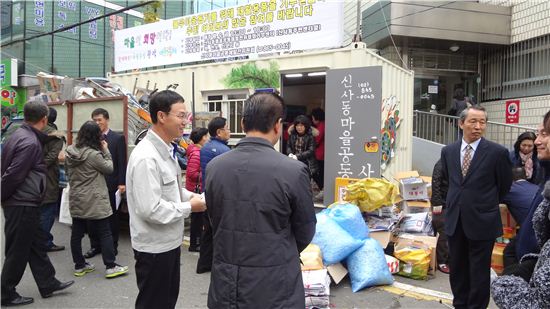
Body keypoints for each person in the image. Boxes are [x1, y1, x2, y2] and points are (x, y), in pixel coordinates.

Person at [205, 92, 317, 308]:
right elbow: (305, 230)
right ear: (278, 125)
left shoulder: (215, 167)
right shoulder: (293, 171)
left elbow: (214, 219)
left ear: (243, 122)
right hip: (275, 283)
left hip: (226, 283)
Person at [126, 90, 206, 309]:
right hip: (154, 249)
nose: (185, 122)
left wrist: (195, 198)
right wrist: (190, 207)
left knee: (167, 301)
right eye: (181, 116)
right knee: (154, 304)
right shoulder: (146, 156)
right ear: (162, 116)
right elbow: (150, 209)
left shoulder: (166, 149)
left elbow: (171, 190)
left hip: (168, 244)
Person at [1, 101, 74, 307]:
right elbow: (13, 175)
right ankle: (6, 293)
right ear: (44, 119)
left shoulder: (17, 135)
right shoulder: (30, 143)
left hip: (23, 201)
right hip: (22, 203)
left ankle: (48, 282)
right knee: (18, 250)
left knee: (35, 245)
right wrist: (3, 196)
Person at [439, 105, 513, 309]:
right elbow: (449, 180)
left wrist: (482, 202)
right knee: (458, 268)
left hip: (483, 220)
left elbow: (504, 185)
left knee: (479, 271)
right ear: (461, 123)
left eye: (482, 122)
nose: (478, 126)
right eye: (473, 121)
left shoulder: (497, 153)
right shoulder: (449, 151)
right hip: (455, 219)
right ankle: (460, 304)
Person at [491, 110, 550, 308]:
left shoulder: (539, 167)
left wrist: (505, 286)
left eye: (545, 134)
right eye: (538, 134)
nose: (537, 142)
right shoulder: (544, 174)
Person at [65, 121, 129, 279]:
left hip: (77, 197)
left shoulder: (70, 151)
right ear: (96, 137)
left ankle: (79, 266)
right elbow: (109, 168)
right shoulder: (93, 154)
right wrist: (106, 151)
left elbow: (67, 172)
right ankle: (110, 266)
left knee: (77, 233)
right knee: (105, 232)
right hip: (94, 199)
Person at [85, 108, 127, 258]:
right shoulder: (89, 139)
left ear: (107, 120)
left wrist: (122, 182)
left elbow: (122, 162)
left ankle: (112, 245)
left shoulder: (117, 138)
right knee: (92, 217)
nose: (97, 123)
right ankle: (95, 245)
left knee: (111, 217)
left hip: (111, 184)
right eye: (94, 120)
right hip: (92, 184)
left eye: (99, 120)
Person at [197, 116, 231, 274]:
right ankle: (217, 264)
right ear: (219, 132)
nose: (229, 131)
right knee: (219, 232)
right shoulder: (224, 151)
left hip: (207, 194)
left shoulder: (206, 147)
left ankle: (204, 264)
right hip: (219, 197)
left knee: (208, 232)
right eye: (228, 128)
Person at [501, 167, 540, 269]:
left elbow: (493, 200)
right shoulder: (536, 187)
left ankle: (512, 280)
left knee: (509, 252)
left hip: (529, 231)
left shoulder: (509, 189)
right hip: (542, 230)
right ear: (525, 176)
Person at [40, 107, 66, 252]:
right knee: (47, 211)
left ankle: (37, 241)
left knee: (39, 212)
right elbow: (50, 158)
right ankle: (44, 243)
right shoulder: (55, 136)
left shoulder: (32, 130)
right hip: (48, 178)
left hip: (32, 179)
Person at [185, 127, 209, 252]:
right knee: (197, 219)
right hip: (196, 189)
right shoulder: (197, 153)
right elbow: (191, 173)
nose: (207, 138)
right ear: (201, 138)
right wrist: (205, 175)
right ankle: (195, 244)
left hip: (195, 189)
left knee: (198, 218)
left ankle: (196, 243)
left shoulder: (197, 151)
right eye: (206, 136)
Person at [430, 159, 450, 274]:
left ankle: (447, 259)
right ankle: (442, 261)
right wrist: (437, 203)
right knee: (444, 230)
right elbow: (436, 181)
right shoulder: (443, 162)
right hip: (442, 203)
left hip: (451, 202)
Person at [287, 115, 319, 182]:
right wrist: (290, 153)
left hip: (307, 163)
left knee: (305, 181)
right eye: (297, 125)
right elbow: (288, 146)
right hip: (294, 162)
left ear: (306, 126)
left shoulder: (310, 136)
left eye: (301, 125)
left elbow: (311, 150)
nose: (299, 127)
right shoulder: (292, 135)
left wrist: (297, 156)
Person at [311, 108, 325, 201]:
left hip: (320, 154)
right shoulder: (324, 124)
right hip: (322, 153)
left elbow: (316, 140)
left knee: (316, 172)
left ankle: (323, 189)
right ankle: (322, 189)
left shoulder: (320, 126)